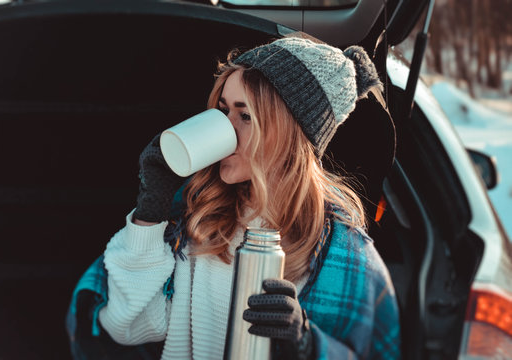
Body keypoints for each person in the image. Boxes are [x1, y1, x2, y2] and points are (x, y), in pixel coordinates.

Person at [66, 36, 401, 360]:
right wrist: (151, 208)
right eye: (223, 110)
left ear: (288, 132)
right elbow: (126, 326)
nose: (225, 129)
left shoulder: (341, 250)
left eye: (245, 116)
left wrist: (307, 345)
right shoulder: (199, 216)